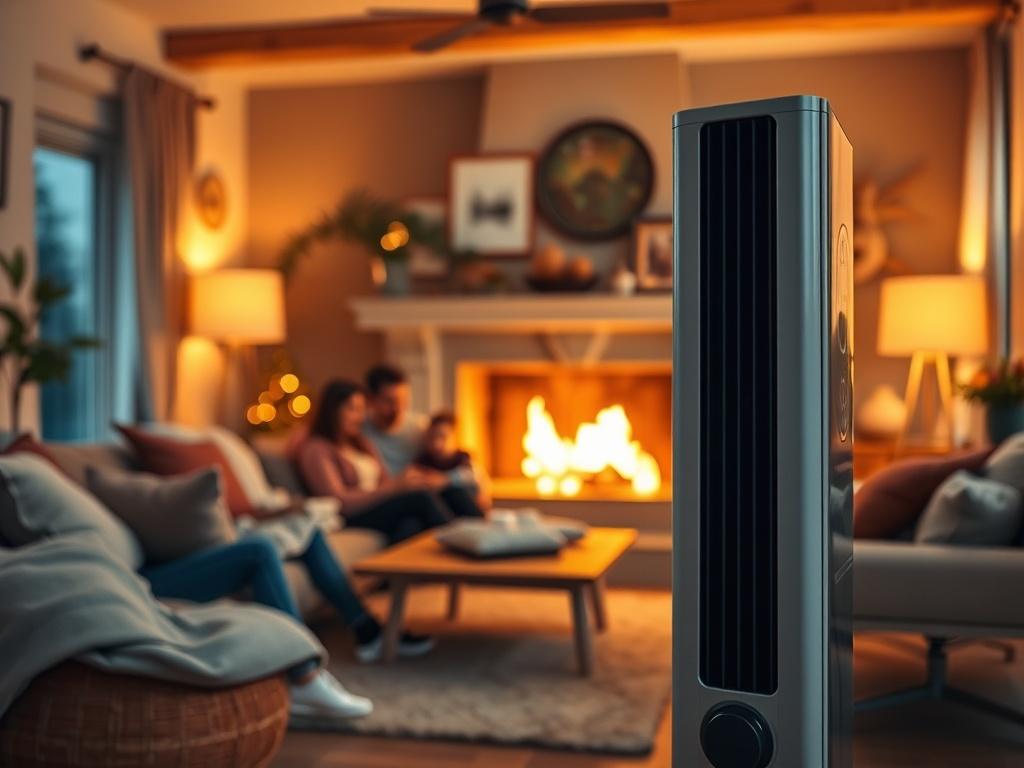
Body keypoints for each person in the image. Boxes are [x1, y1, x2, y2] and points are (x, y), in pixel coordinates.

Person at [141, 527, 434, 673]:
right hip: (154, 579)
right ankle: (304, 668)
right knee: (261, 550)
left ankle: (363, 628)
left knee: (308, 530)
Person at [297, 379, 484, 545]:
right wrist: (393, 488)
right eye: (352, 409)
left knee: (447, 495)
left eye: (362, 410)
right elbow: (338, 502)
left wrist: (408, 483)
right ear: (332, 411)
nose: (360, 417)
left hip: (379, 504)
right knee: (421, 499)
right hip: (353, 515)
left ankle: (487, 539)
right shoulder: (317, 449)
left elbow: (385, 480)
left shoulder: (361, 443)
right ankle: (460, 547)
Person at [412, 411, 491, 510]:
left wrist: (446, 480)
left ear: (455, 437)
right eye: (432, 437)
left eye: (443, 437)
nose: (437, 444)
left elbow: (474, 477)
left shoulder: (463, 458)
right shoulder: (423, 461)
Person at [361, 364, 428, 477]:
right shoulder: (360, 429)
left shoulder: (420, 428)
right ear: (371, 400)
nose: (398, 409)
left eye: (404, 400)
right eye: (389, 401)